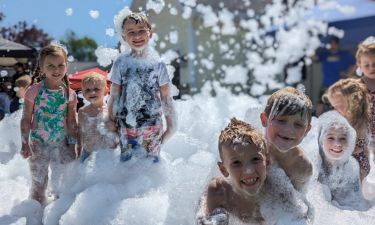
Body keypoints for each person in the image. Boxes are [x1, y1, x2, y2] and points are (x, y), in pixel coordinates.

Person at [197, 118, 313, 225]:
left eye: (255, 159)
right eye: (236, 163)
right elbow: (203, 217)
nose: (248, 171)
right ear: (224, 169)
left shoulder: (278, 188)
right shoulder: (219, 192)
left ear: (266, 161)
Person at [108, 12, 176, 163]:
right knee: (126, 164)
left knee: (150, 165)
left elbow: (166, 97)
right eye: (131, 32)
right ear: (124, 37)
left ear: (150, 33)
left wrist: (171, 125)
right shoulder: (121, 63)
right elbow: (114, 95)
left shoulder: (158, 64)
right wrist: (110, 120)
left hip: (152, 124)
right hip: (126, 125)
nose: (137, 35)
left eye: (141, 31)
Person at [20, 43, 78, 205]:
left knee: (61, 186)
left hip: (61, 143)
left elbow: (72, 122)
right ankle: (36, 216)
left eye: (61, 65)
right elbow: (25, 119)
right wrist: (25, 143)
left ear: (66, 66)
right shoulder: (34, 91)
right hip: (38, 143)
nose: (56, 69)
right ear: (42, 68)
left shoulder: (70, 94)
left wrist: (73, 146)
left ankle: (56, 217)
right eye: (50, 66)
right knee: (39, 184)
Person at [260, 87, 313, 192]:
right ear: (264, 120)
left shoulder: (302, 167)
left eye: (298, 124)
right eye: (281, 120)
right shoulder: (250, 153)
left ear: (307, 130)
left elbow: (298, 204)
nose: (289, 130)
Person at [317, 110, 367, 208]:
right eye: (331, 138)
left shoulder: (352, 167)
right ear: (321, 139)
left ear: (350, 141)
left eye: (343, 138)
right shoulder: (315, 165)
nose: (337, 144)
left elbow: (355, 202)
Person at [324, 78, 371, 180]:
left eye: (338, 106)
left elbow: (357, 149)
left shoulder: (358, 124)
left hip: (357, 168)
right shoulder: (349, 119)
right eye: (333, 107)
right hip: (353, 165)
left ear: (354, 103)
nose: (335, 110)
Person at [77, 72, 119, 162]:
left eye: (96, 89)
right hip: (87, 153)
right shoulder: (82, 111)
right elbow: (80, 133)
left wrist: (112, 127)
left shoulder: (110, 111)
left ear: (106, 90)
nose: (92, 92)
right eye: (87, 90)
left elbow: (118, 133)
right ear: (83, 94)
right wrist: (78, 149)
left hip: (107, 155)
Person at [315, 36, 356, 116]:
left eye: (335, 43)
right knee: (320, 105)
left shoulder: (344, 54)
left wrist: (348, 73)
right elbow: (314, 58)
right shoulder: (324, 54)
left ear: (338, 44)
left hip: (340, 86)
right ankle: (316, 123)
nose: (333, 45)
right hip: (326, 85)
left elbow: (357, 62)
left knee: (339, 106)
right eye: (331, 44)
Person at [356, 37, 375, 146]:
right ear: (359, 65)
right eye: (366, 65)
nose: (372, 67)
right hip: (363, 137)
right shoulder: (356, 87)